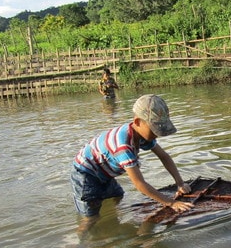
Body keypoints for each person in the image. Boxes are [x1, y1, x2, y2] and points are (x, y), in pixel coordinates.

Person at [71, 94, 194, 228]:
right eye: (153, 129)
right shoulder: (123, 146)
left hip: (104, 173)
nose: (156, 134)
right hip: (85, 174)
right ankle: (82, 244)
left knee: (118, 197)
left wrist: (180, 183)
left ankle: (111, 226)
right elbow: (139, 184)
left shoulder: (141, 135)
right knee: (91, 218)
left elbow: (164, 156)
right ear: (137, 122)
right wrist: (170, 203)